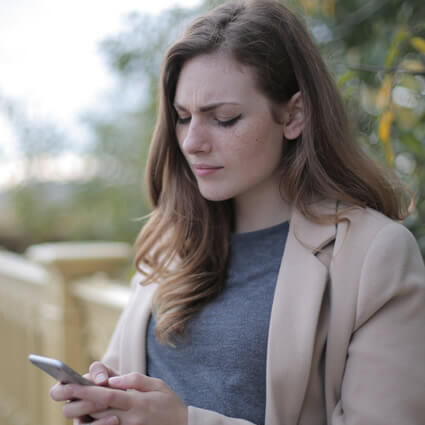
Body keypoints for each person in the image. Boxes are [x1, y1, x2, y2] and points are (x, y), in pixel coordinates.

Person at [50, 0, 425, 424]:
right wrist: (106, 397)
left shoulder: (375, 255)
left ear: (294, 114)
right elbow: (131, 381)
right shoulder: (172, 240)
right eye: (183, 117)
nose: (192, 142)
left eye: (224, 118)